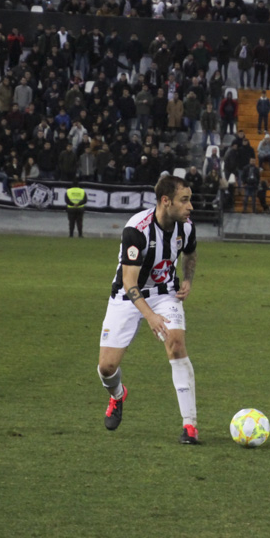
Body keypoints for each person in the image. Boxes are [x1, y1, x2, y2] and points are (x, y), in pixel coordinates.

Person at [97, 175, 201, 445]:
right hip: (127, 296)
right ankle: (118, 395)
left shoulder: (186, 227)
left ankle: (189, 426)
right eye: (185, 200)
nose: (190, 206)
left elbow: (190, 253)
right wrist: (151, 316)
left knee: (176, 345)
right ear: (166, 201)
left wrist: (187, 279)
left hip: (165, 293)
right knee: (107, 367)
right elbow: (130, 283)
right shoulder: (137, 229)